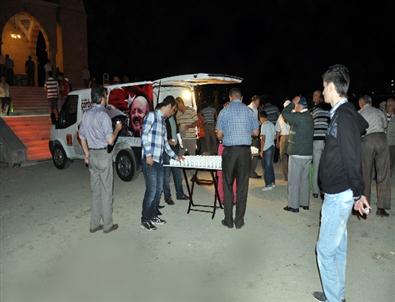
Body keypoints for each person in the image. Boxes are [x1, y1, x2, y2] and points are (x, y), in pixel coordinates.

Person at [313, 64, 370, 302]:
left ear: (333, 87)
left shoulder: (344, 116)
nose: (322, 91)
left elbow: (351, 157)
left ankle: (335, 298)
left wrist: (358, 194)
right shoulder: (340, 113)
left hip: (340, 194)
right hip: (338, 193)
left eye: (325, 86)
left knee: (325, 251)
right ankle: (335, 293)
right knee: (337, 249)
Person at [78, 86, 123, 234]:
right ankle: (107, 225)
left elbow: (81, 136)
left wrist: (86, 153)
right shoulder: (103, 115)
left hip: (91, 155)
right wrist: (117, 129)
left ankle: (94, 224)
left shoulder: (86, 115)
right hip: (103, 155)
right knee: (106, 191)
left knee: (95, 191)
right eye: (107, 96)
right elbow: (110, 141)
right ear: (103, 98)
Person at [216, 88, 259, 229]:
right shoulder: (249, 111)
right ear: (241, 97)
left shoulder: (224, 112)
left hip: (229, 152)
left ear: (230, 97)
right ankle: (239, 221)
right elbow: (255, 133)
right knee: (242, 187)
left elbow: (219, 135)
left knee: (227, 186)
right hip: (245, 152)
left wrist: (227, 133)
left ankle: (228, 221)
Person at [141, 95, 182, 230]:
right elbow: (144, 135)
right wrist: (148, 155)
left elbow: (165, 144)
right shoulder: (152, 115)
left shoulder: (163, 122)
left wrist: (175, 157)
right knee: (152, 191)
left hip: (158, 160)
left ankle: (153, 216)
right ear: (169, 106)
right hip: (150, 160)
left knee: (158, 191)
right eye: (173, 110)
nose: (172, 113)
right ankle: (145, 220)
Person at [358, 95, 391, 217]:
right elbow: (385, 126)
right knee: (383, 174)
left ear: (361, 103)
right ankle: (381, 208)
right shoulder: (379, 111)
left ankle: (365, 206)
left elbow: (358, 130)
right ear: (370, 102)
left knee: (366, 173)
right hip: (382, 139)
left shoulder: (360, 112)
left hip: (367, 140)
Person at [282, 96, 314, 212]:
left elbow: (285, 114)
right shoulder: (309, 117)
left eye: (296, 105)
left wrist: (291, 103)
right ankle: (304, 203)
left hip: (297, 153)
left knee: (294, 180)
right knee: (304, 180)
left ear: (299, 105)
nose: (294, 107)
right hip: (307, 154)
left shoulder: (299, 116)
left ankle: (293, 205)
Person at [163, 107, 189, 205]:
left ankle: (180, 194)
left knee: (178, 173)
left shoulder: (173, 117)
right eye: (173, 109)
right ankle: (167, 196)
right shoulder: (163, 119)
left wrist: (180, 142)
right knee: (166, 175)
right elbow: (161, 135)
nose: (174, 111)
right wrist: (168, 141)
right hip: (167, 149)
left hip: (176, 148)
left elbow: (177, 131)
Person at [310, 90, 330, 198]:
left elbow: (310, 126)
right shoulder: (329, 110)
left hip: (317, 141)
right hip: (326, 141)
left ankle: (315, 191)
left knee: (316, 167)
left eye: (316, 95)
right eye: (314, 95)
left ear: (320, 98)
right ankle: (325, 191)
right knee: (325, 167)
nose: (314, 97)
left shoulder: (313, 110)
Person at [259, 110, 276, 190]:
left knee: (266, 167)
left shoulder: (264, 125)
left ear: (261, 117)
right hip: (272, 146)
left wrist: (261, 150)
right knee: (270, 165)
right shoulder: (272, 124)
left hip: (267, 148)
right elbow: (275, 136)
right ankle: (272, 182)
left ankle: (268, 184)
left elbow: (263, 139)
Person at [275, 100, 291, 181]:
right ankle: (291, 175)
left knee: (283, 157)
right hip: (292, 137)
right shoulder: (293, 114)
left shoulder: (281, 116)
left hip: (283, 138)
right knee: (291, 157)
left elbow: (277, 130)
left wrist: (277, 140)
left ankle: (286, 176)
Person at [248, 95, 262, 178]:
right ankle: (251, 172)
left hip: (247, 135)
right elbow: (253, 123)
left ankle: (247, 171)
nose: (259, 104)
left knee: (249, 154)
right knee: (255, 154)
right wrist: (258, 123)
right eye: (259, 102)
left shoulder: (247, 107)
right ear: (256, 101)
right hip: (253, 135)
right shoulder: (254, 109)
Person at [386, 96, 395, 176]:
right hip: (382, 143)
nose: (388, 106)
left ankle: (388, 175)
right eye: (388, 104)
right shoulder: (382, 115)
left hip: (392, 144)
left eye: (390, 104)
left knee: (391, 161)